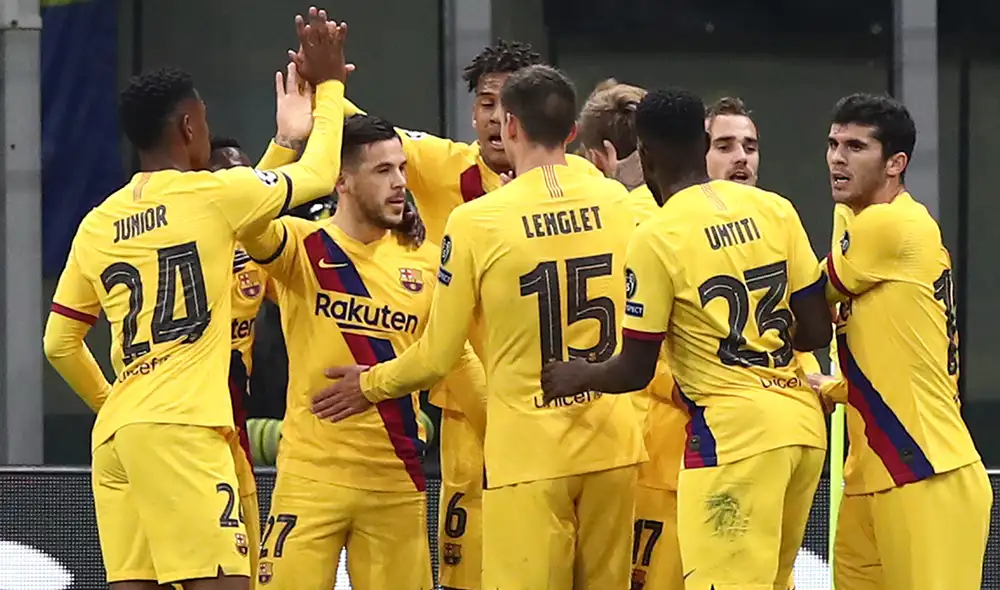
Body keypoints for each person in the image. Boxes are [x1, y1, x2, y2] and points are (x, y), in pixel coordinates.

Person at [41, 9, 348, 589]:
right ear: (188, 126)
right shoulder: (211, 195)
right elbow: (317, 174)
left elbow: (60, 344)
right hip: (184, 430)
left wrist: (116, 404)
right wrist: (330, 87)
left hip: (119, 438)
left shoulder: (98, 222)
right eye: (203, 120)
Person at [314, 65, 645, 589]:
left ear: (510, 125)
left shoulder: (478, 221)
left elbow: (437, 357)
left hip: (530, 452)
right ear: (572, 133)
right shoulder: (616, 201)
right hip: (615, 446)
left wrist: (370, 384)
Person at [540, 88, 834, 589]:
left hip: (733, 439)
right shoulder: (776, 209)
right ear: (703, 143)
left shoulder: (657, 236)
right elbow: (816, 329)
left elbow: (635, 368)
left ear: (645, 155)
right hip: (802, 431)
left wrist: (576, 375)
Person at [241, 112, 486, 590]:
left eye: (402, 169)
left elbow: (455, 357)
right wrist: (287, 141)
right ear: (342, 181)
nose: (400, 183)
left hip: (397, 481)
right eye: (383, 171)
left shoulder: (429, 261)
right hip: (311, 477)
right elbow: (245, 218)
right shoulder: (302, 247)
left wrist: (501, 435)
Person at [810, 93, 990, 590]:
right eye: (833, 144)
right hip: (869, 476)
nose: (837, 158)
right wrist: (832, 388)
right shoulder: (865, 227)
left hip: (926, 473)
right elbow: (897, 354)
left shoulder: (891, 224)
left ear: (896, 163)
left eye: (856, 147)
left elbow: (805, 296)